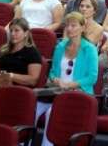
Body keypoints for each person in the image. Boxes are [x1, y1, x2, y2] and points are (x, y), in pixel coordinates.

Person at [36, 12, 98, 146]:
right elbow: (52, 72)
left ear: (82, 27)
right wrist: (56, 80)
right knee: (32, 109)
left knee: (52, 113)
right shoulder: (60, 47)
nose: (69, 29)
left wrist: (70, 85)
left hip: (79, 93)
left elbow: (92, 78)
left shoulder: (90, 49)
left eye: (73, 25)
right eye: (67, 26)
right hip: (56, 92)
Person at [0, 18, 42, 123]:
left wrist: (10, 76)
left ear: (26, 33)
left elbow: (33, 79)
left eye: (17, 31)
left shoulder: (32, 53)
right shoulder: (3, 50)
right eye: (11, 31)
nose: (13, 34)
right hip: (0, 87)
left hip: (19, 90)